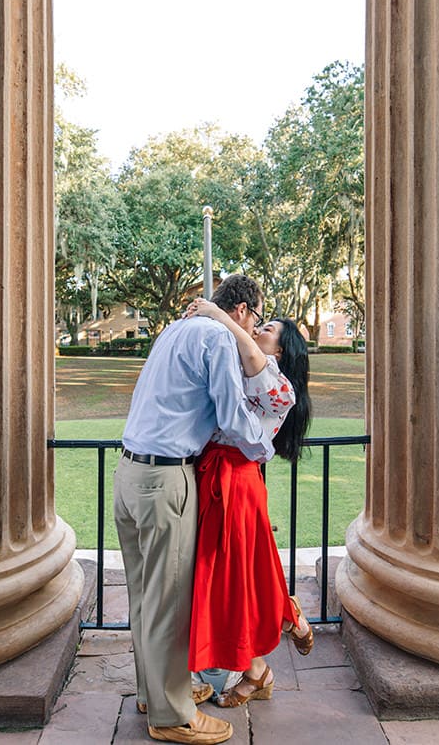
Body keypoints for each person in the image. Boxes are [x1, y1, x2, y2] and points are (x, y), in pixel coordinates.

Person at [116, 274, 275, 745]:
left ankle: (154, 693)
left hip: (128, 473)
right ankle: (173, 716)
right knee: (169, 601)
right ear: (242, 310)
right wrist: (264, 441)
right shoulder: (216, 336)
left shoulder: (174, 329)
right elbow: (230, 413)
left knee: (145, 596)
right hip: (166, 478)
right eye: (256, 320)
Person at [183, 296, 315, 708]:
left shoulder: (280, 388)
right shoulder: (236, 368)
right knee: (230, 575)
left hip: (237, 482)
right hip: (212, 476)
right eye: (261, 324)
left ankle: (266, 646)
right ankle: (271, 638)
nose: (259, 330)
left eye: (269, 330)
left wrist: (218, 314)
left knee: (228, 577)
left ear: (282, 350)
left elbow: (253, 359)